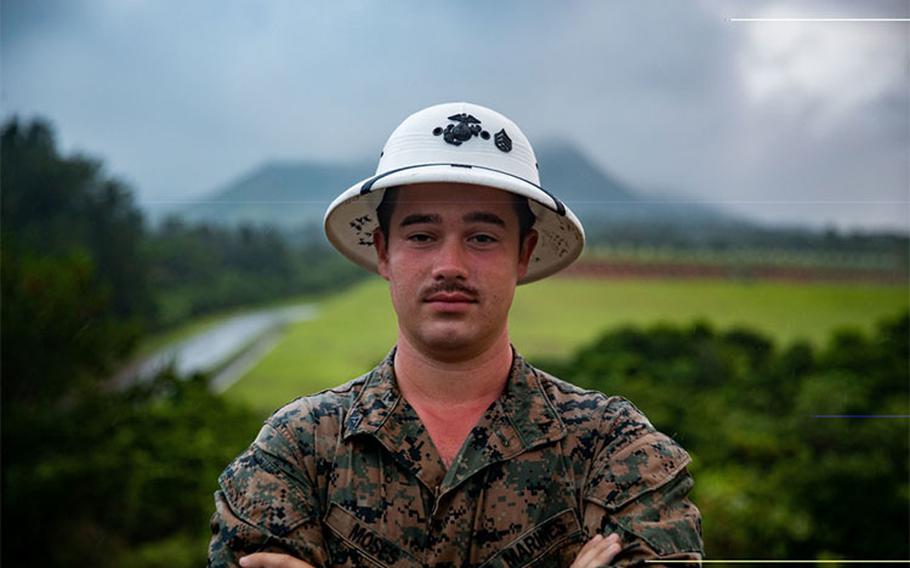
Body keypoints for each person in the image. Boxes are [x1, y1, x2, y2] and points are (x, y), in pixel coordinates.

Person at [208, 102, 703, 567]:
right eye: (421, 236)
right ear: (383, 251)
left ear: (524, 253)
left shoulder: (613, 449)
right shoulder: (298, 449)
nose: (450, 266)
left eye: (482, 238)